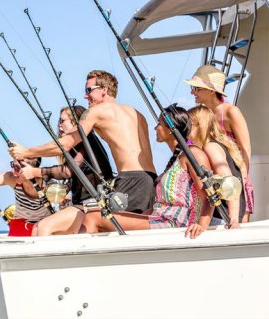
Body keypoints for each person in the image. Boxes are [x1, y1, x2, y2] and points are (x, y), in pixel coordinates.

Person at [9, 70, 157, 215]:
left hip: (131, 180)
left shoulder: (97, 111)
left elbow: (65, 145)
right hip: (151, 179)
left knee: (101, 226)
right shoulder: (136, 113)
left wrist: (26, 152)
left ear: (104, 89)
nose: (85, 96)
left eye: (89, 90)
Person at [82, 106, 213, 239]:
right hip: (161, 218)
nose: (155, 128)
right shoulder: (176, 159)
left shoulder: (193, 154)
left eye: (159, 124)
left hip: (175, 222)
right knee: (97, 213)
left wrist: (201, 225)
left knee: (93, 217)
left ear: (171, 129)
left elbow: (209, 195)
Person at [19, 105, 113, 236]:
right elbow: (80, 176)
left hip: (92, 206)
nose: (59, 125)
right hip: (82, 204)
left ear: (75, 122)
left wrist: (36, 172)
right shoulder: (80, 144)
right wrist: (63, 191)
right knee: (36, 229)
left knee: (43, 227)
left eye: (62, 121)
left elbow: (68, 171)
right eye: (58, 121)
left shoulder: (87, 142)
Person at [184, 65, 253, 222]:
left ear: (210, 90)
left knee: (238, 224)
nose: (192, 92)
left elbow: (245, 148)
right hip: (215, 181)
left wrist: (241, 177)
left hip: (235, 175)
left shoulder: (231, 111)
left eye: (196, 88)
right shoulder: (201, 114)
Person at [188, 105, 245, 228]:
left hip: (222, 218)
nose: (186, 130)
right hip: (226, 215)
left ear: (198, 125)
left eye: (189, 125)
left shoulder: (211, 147)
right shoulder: (219, 145)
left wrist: (233, 219)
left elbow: (229, 182)